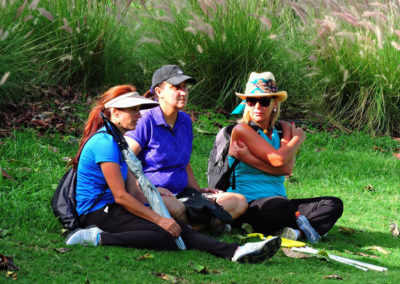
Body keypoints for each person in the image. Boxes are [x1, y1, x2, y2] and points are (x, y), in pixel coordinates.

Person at [64, 84, 281, 263]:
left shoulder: (118, 141)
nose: (139, 115)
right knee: (166, 233)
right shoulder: (105, 143)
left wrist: (158, 211)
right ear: (114, 113)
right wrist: (158, 219)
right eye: (133, 110)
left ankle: (235, 251)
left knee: (175, 229)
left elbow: (132, 190)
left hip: (116, 207)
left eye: (139, 109)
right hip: (98, 212)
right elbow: (121, 195)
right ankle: (96, 238)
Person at [124, 65, 247, 231]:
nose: (183, 92)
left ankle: (189, 227)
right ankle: (209, 224)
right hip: (156, 196)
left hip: (185, 195)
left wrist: (197, 191)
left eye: (185, 87)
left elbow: (184, 162)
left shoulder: (185, 121)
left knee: (238, 201)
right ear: (159, 92)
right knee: (175, 208)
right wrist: (146, 189)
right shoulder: (145, 120)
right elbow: (125, 159)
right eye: (176, 87)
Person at [228, 72, 343, 241]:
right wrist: (297, 139)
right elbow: (278, 160)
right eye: (252, 101)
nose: (257, 107)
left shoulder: (283, 128)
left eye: (264, 101)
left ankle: (297, 233)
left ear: (275, 103)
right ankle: (303, 225)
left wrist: (250, 158)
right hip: (251, 203)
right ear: (246, 104)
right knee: (279, 208)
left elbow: (287, 169)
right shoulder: (242, 130)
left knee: (333, 204)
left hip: (280, 202)